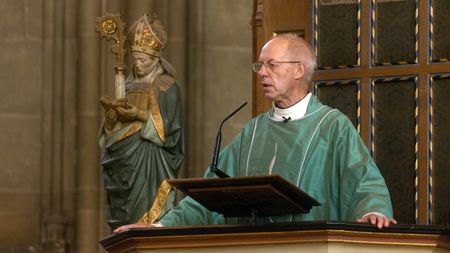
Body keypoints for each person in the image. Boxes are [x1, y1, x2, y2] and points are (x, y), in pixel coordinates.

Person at [114, 33, 396, 233]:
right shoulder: (253, 131)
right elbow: (212, 193)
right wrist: (160, 226)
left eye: (271, 65)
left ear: (299, 70)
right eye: (259, 65)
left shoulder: (332, 126)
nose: (261, 73)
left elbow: (363, 181)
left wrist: (374, 210)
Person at [99, 14, 184, 230]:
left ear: (156, 59)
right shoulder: (127, 85)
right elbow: (110, 131)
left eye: (143, 60)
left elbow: (171, 132)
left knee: (147, 219)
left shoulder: (167, 87)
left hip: (151, 164)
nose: (137, 64)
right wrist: (110, 119)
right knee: (124, 220)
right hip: (124, 161)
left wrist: (138, 114)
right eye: (135, 59)